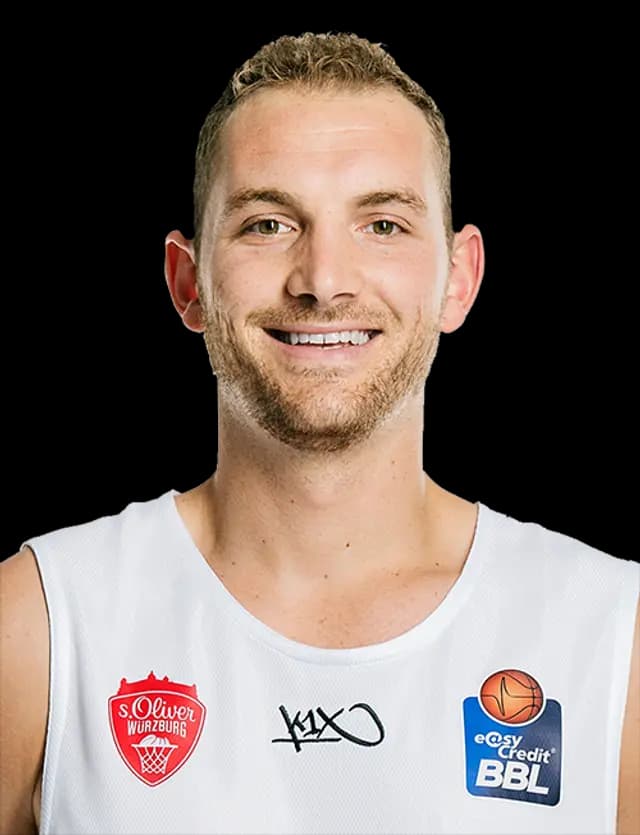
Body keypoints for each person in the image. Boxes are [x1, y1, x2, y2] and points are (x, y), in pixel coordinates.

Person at [1, 30, 638, 835]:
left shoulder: (612, 633)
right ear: (188, 283)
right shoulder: (39, 623)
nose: (323, 280)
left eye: (383, 224)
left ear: (459, 277)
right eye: (268, 223)